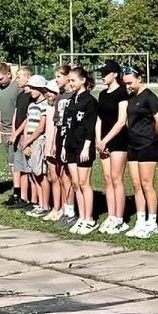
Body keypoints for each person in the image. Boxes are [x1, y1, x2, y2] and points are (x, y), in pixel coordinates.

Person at [123, 64, 158, 239]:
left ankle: (152, 222)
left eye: (130, 83)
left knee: (147, 184)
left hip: (148, 145)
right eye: (125, 83)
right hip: (132, 145)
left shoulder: (150, 97)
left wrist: (152, 136)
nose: (128, 86)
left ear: (139, 78)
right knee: (136, 184)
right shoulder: (131, 97)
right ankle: (141, 220)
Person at [95, 60, 131, 235]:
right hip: (103, 141)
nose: (102, 76)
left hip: (118, 140)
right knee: (108, 178)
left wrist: (106, 140)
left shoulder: (122, 93)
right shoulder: (102, 94)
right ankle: (111, 215)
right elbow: (99, 119)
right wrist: (99, 140)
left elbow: (121, 121)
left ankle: (119, 218)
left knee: (117, 178)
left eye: (105, 73)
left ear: (115, 74)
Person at [63, 67, 98, 235]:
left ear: (83, 80)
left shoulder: (90, 101)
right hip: (70, 145)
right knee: (76, 184)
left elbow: (90, 126)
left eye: (73, 80)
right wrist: (64, 145)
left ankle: (89, 219)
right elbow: (66, 124)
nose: (70, 83)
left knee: (84, 183)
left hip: (83, 146)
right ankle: (81, 217)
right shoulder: (71, 100)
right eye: (69, 80)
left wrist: (86, 147)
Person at [50, 65, 79, 230]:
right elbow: (56, 122)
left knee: (70, 175)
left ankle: (72, 211)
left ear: (68, 77)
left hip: (71, 137)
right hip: (60, 136)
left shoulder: (74, 95)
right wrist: (54, 143)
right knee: (61, 175)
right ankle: (66, 210)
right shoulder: (60, 96)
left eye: (59, 76)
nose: (56, 80)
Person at [0, 63, 24, 207]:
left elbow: (20, 110)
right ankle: (17, 189)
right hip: (4, 131)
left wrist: (14, 131)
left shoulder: (16, 88)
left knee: (16, 163)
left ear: (8, 75)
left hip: (16, 131)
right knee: (10, 162)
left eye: (1, 78)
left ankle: (19, 192)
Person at [21, 75, 52, 218]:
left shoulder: (44, 105)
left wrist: (29, 141)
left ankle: (45, 205)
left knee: (41, 174)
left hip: (39, 142)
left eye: (34, 88)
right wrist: (26, 142)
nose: (31, 90)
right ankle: (40, 203)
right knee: (34, 175)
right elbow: (28, 123)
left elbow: (41, 128)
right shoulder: (31, 104)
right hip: (30, 142)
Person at [8, 66, 34, 209]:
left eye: (19, 77)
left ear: (28, 78)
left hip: (24, 135)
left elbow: (27, 119)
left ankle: (29, 198)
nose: (16, 80)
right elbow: (16, 114)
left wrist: (17, 133)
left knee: (27, 168)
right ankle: (21, 197)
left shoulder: (31, 96)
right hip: (16, 135)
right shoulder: (20, 95)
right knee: (19, 168)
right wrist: (13, 131)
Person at [40, 77, 63, 222]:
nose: (48, 94)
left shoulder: (59, 108)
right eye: (47, 91)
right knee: (53, 177)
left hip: (57, 146)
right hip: (48, 145)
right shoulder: (47, 108)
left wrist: (55, 144)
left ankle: (63, 208)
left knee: (61, 178)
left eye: (51, 91)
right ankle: (56, 207)